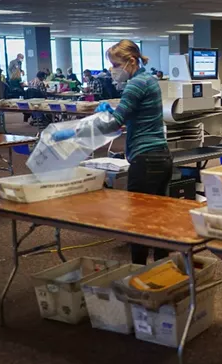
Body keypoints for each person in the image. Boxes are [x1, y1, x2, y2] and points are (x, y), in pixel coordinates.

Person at [52, 40, 171, 265]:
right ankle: (163, 269)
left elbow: (112, 125)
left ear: (131, 61)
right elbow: (133, 115)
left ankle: (138, 272)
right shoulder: (149, 80)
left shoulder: (136, 84)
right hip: (160, 157)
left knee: (138, 221)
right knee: (159, 219)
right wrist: (113, 111)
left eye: (115, 65)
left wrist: (72, 131)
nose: (112, 70)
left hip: (146, 161)